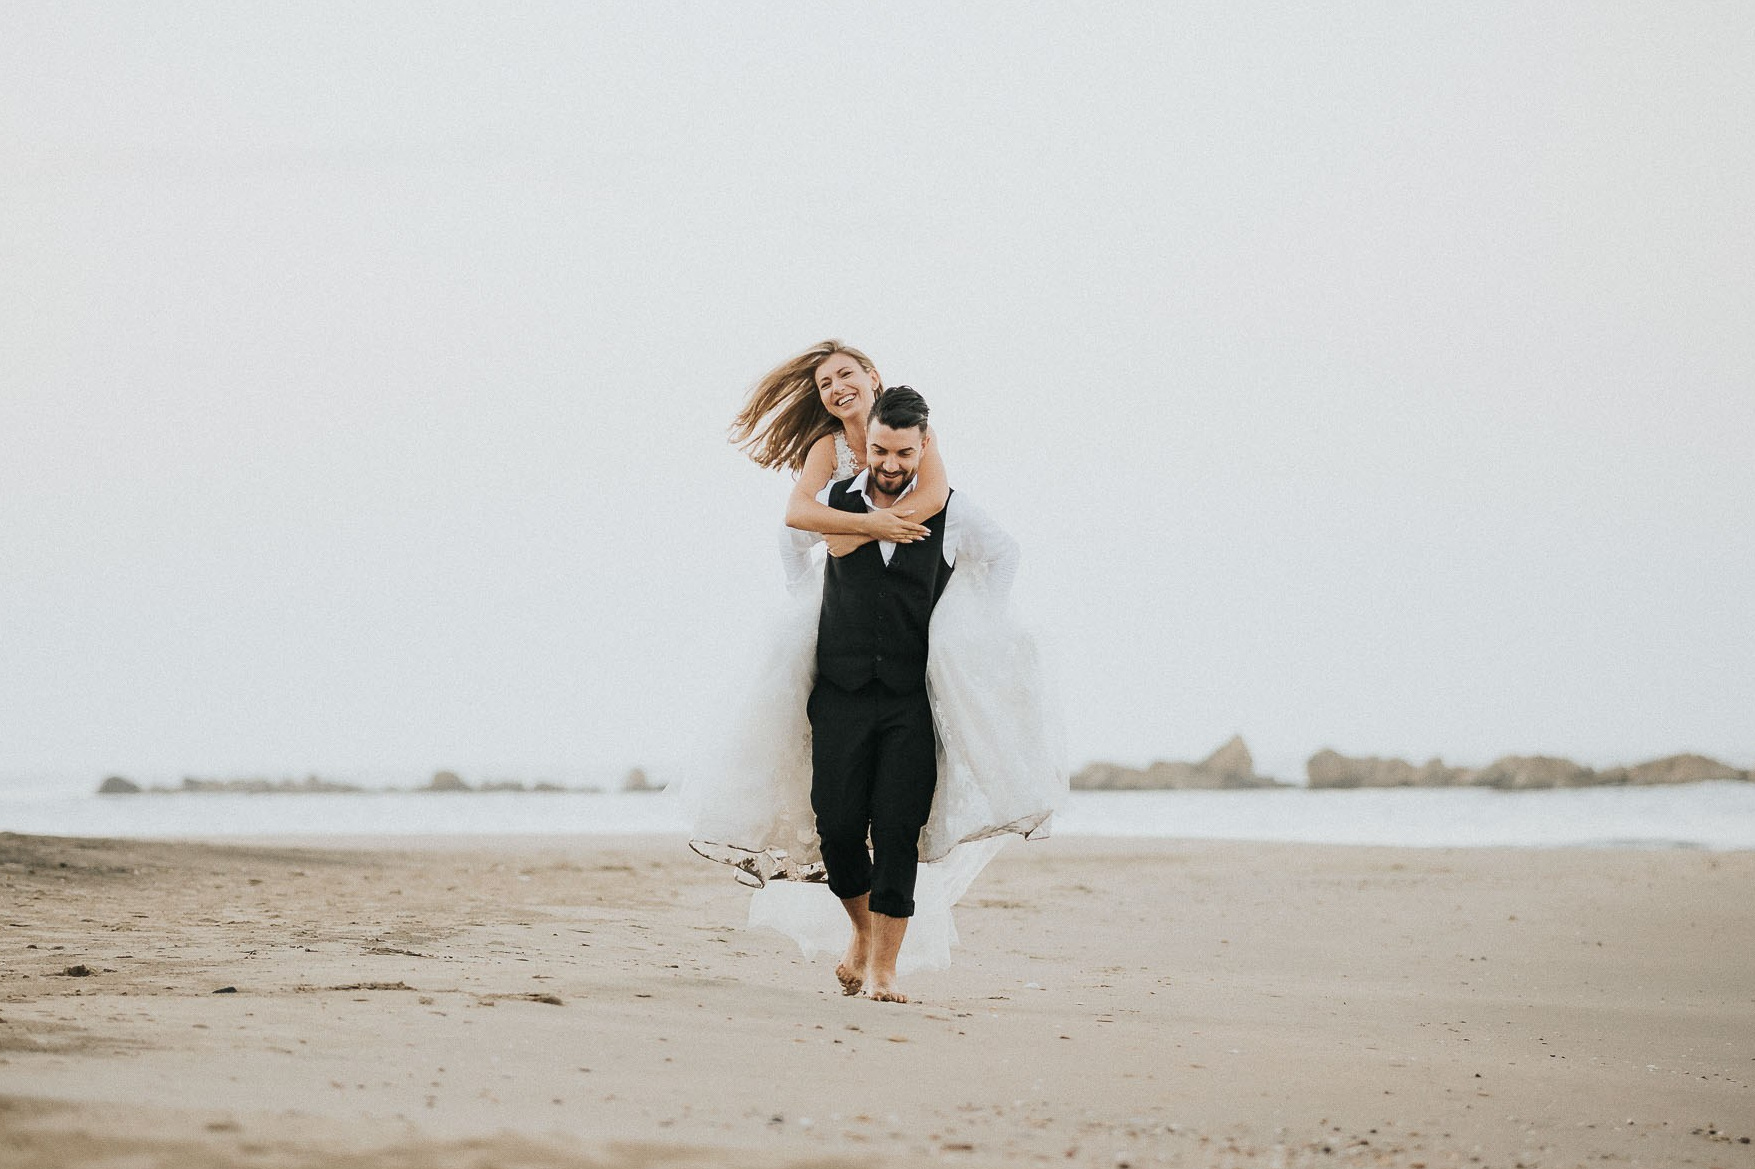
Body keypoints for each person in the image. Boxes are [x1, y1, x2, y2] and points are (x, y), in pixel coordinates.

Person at [681, 341, 1064, 998]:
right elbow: (790, 535)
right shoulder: (832, 487)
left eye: (903, 454)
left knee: (896, 833)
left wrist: (970, 626)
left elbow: (1003, 552)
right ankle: (860, 934)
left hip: (909, 699)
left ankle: (884, 968)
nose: (889, 463)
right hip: (839, 691)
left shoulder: (946, 502)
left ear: (918, 444)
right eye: (881, 452)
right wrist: (806, 602)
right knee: (835, 830)